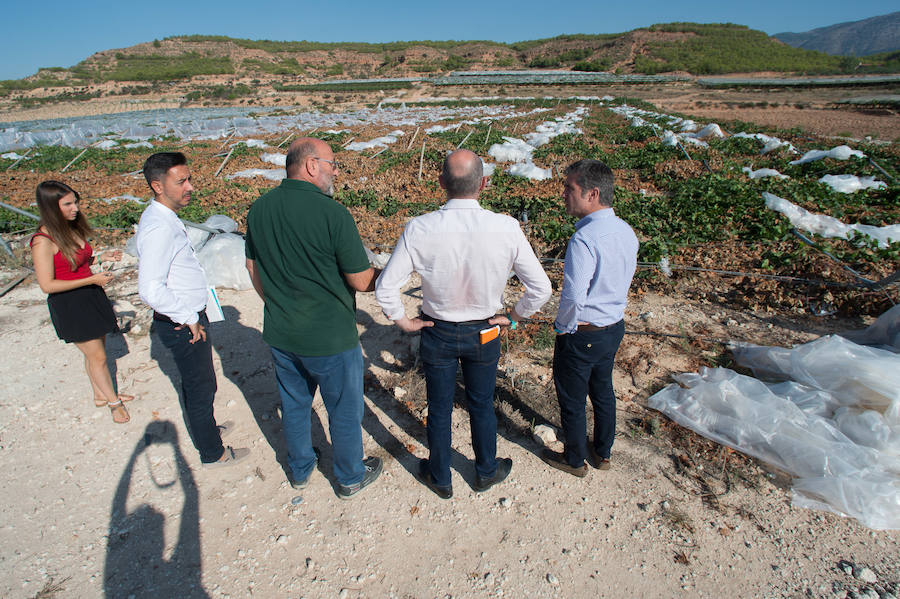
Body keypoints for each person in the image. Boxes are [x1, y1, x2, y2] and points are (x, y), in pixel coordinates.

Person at [375, 149, 551, 499]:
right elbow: (541, 288)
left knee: (439, 406)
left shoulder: (419, 227)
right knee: (481, 402)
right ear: (483, 184)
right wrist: (514, 317)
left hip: (436, 331)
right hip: (485, 330)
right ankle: (485, 470)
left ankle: (440, 475)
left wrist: (403, 322)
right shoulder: (506, 227)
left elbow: (385, 285)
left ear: (441, 183)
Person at [244, 137, 382, 499]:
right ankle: (351, 476)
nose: (336, 171)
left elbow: (251, 265)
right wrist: (390, 274)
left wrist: (275, 302)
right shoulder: (333, 213)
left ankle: (301, 468)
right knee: (344, 409)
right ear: (310, 165)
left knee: (294, 403)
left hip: (282, 332)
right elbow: (361, 279)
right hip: (330, 337)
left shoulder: (259, 209)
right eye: (332, 163)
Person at [136, 152, 248, 467]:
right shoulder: (159, 227)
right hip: (181, 322)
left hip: (186, 316)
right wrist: (189, 318)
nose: (190, 187)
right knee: (200, 387)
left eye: (189, 179)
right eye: (181, 181)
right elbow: (150, 288)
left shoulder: (164, 218)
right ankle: (213, 452)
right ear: (158, 185)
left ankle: (206, 430)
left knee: (199, 383)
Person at [540, 159, 638, 477]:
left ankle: (574, 459)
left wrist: (563, 327)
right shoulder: (626, 231)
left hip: (583, 332)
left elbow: (573, 295)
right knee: (603, 390)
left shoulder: (584, 240)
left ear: (592, 193)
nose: (564, 194)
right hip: (613, 328)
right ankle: (603, 452)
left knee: (571, 397)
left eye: (570, 188)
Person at [30, 180, 132, 424]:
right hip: (70, 304)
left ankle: (100, 394)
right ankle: (113, 403)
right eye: (67, 204)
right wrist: (92, 279)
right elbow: (48, 284)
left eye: (75, 202)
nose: (75, 208)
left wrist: (99, 257)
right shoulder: (42, 241)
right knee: (97, 356)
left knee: (95, 352)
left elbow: (74, 261)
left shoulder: (68, 229)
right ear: (50, 207)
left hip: (90, 295)